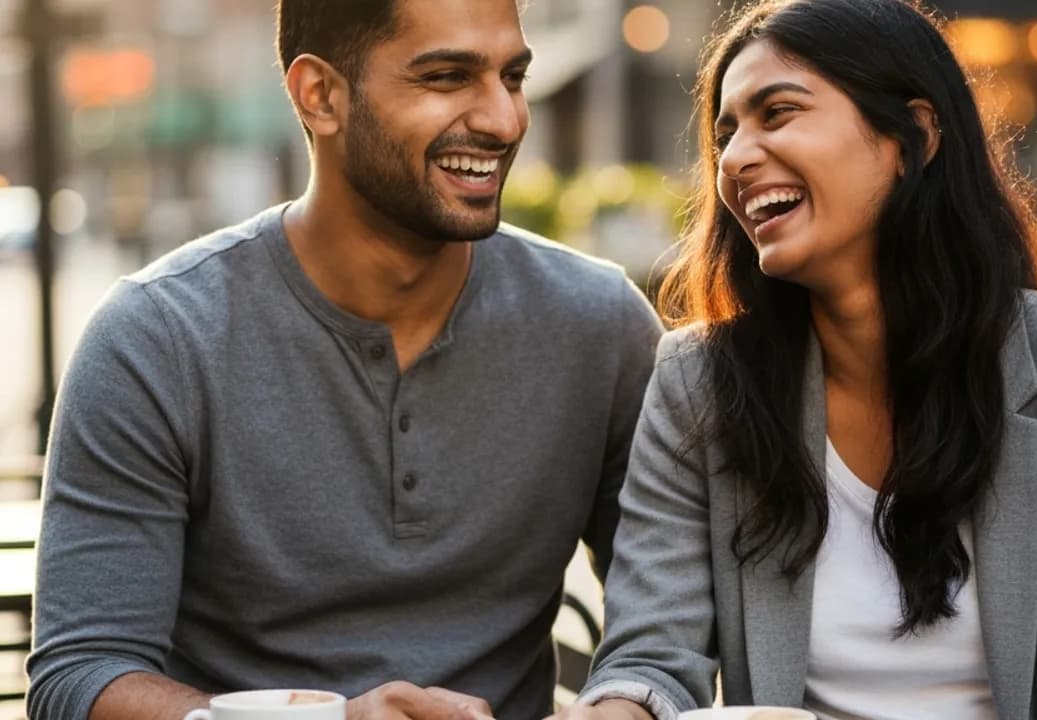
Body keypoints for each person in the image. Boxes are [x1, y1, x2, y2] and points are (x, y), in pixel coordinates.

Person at [558, 1, 1037, 719]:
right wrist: (615, 709)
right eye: (726, 134)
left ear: (912, 137)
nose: (734, 158)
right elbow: (651, 660)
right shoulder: (699, 383)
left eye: (778, 112)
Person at [25, 1, 662, 719]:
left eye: (512, 76)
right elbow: (80, 677)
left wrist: (621, 708)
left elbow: (663, 629)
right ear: (320, 96)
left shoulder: (601, 327)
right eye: (448, 76)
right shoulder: (158, 338)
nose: (504, 119)